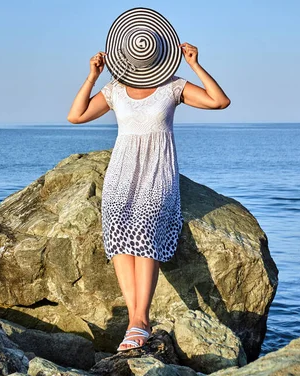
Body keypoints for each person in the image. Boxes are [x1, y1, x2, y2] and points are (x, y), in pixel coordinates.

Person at [67, 12, 230, 352]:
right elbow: (76, 115)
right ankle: (135, 320)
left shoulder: (173, 87)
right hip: (120, 174)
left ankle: (141, 319)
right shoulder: (114, 90)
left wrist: (196, 65)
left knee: (146, 230)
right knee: (118, 240)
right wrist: (92, 77)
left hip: (158, 172)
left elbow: (219, 101)